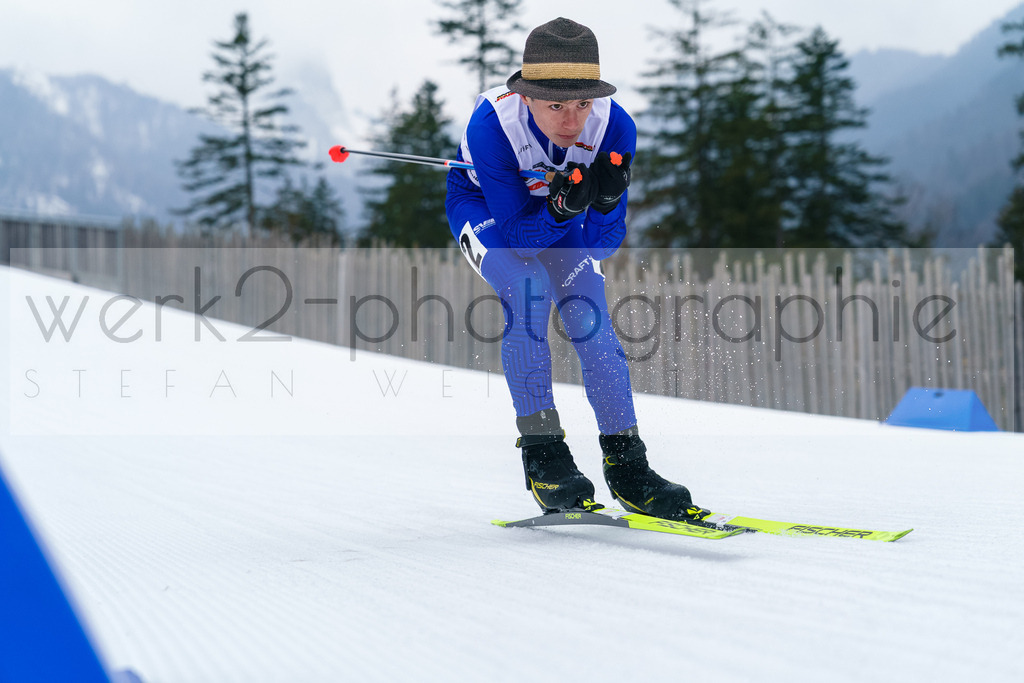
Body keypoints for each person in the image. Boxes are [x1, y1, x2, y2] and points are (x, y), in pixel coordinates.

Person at [445, 17, 704, 521]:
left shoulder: (615, 126)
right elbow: (520, 239)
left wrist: (605, 201)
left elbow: (603, 244)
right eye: (556, 106)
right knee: (529, 291)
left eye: (583, 103)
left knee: (592, 324)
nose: (572, 121)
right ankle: (545, 456)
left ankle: (629, 467)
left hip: (553, 217)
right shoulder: (492, 126)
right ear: (526, 97)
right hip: (489, 211)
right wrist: (562, 209)